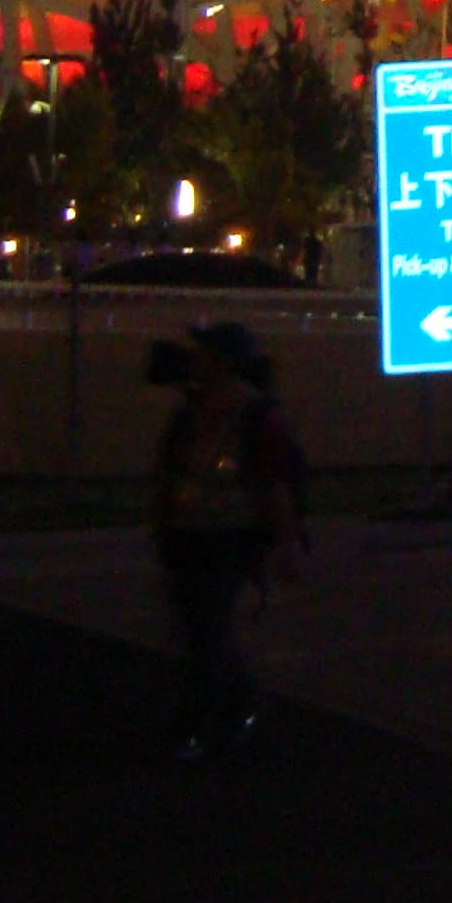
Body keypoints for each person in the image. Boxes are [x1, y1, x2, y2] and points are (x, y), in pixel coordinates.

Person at [149, 322, 305, 762]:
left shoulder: (256, 418)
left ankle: (195, 727)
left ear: (224, 363)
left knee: (208, 633)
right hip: (187, 537)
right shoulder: (191, 413)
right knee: (201, 629)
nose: (194, 361)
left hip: (228, 540)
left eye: (204, 353)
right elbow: (172, 473)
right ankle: (241, 707)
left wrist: (286, 542)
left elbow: (272, 484)